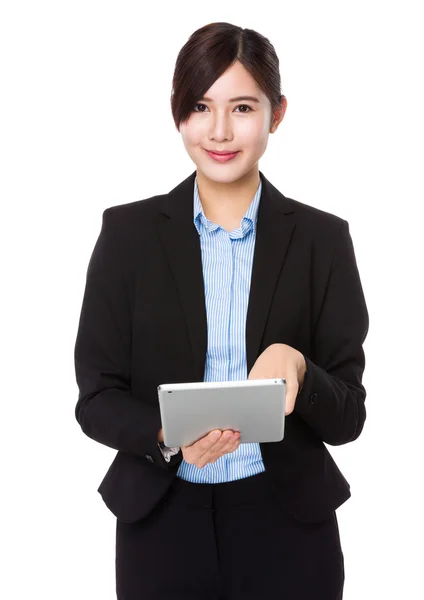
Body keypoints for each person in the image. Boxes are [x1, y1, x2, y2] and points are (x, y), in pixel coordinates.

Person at [74, 21, 369, 600]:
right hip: (161, 519)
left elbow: (350, 417)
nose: (220, 130)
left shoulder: (322, 240)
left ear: (276, 114)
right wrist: (165, 434)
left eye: (242, 107)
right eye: (201, 106)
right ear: (177, 112)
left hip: (287, 522)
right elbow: (96, 398)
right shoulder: (128, 235)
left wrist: (302, 370)